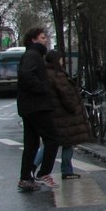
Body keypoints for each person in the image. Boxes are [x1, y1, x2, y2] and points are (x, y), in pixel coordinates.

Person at [34, 50, 92, 179]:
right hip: (64, 115)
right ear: (56, 60)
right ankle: (66, 170)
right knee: (67, 143)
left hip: (53, 113)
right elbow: (65, 95)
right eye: (60, 59)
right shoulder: (57, 74)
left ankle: (34, 166)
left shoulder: (44, 73)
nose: (62, 61)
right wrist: (73, 108)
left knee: (51, 143)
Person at [16, 28, 61, 191]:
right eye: (43, 37)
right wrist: (43, 88)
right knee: (53, 138)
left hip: (29, 106)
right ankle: (44, 173)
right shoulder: (33, 56)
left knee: (31, 143)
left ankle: (25, 178)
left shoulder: (32, 55)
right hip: (37, 106)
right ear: (33, 40)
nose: (45, 40)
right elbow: (26, 76)